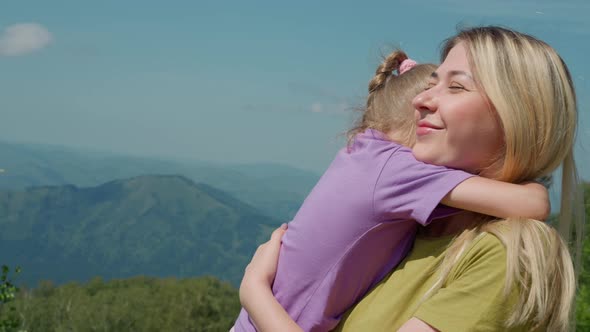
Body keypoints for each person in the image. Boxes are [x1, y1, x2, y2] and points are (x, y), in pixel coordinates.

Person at [238, 26, 582, 332]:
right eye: (432, 84)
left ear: (516, 118)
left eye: (457, 87)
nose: (420, 99)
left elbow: (535, 204)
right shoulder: (420, 226)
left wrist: (256, 294)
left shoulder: (504, 254)